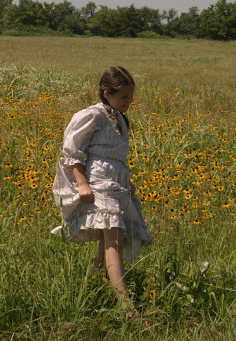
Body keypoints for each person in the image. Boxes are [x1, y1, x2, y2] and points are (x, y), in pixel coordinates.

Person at [51, 66, 153, 316]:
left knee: (107, 244)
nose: (129, 102)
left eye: (131, 96)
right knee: (114, 241)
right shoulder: (92, 115)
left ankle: (94, 293)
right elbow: (72, 152)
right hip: (99, 184)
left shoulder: (118, 117)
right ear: (107, 94)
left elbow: (116, 157)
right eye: (124, 97)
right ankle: (127, 307)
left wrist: (127, 181)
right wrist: (82, 184)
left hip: (117, 185)